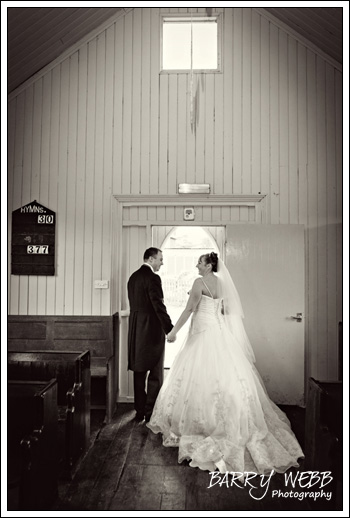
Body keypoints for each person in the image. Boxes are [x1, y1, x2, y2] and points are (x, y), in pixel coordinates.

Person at [147, 252, 304, 474]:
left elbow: (189, 309)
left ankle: (200, 425)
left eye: (200, 262)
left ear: (209, 265)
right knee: (227, 376)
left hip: (203, 332)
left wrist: (172, 332)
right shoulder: (221, 284)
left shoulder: (199, 282)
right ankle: (231, 421)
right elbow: (224, 310)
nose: (196, 265)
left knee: (198, 377)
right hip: (218, 331)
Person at [127, 247, 174, 423]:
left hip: (135, 329)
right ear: (151, 259)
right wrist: (169, 328)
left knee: (139, 371)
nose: (162, 262)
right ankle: (150, 412)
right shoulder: (153, 278)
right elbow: (158, 305)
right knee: (155, 372)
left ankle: (139, 410)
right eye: (160, 259)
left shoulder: (133, 277)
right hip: (151, 329)